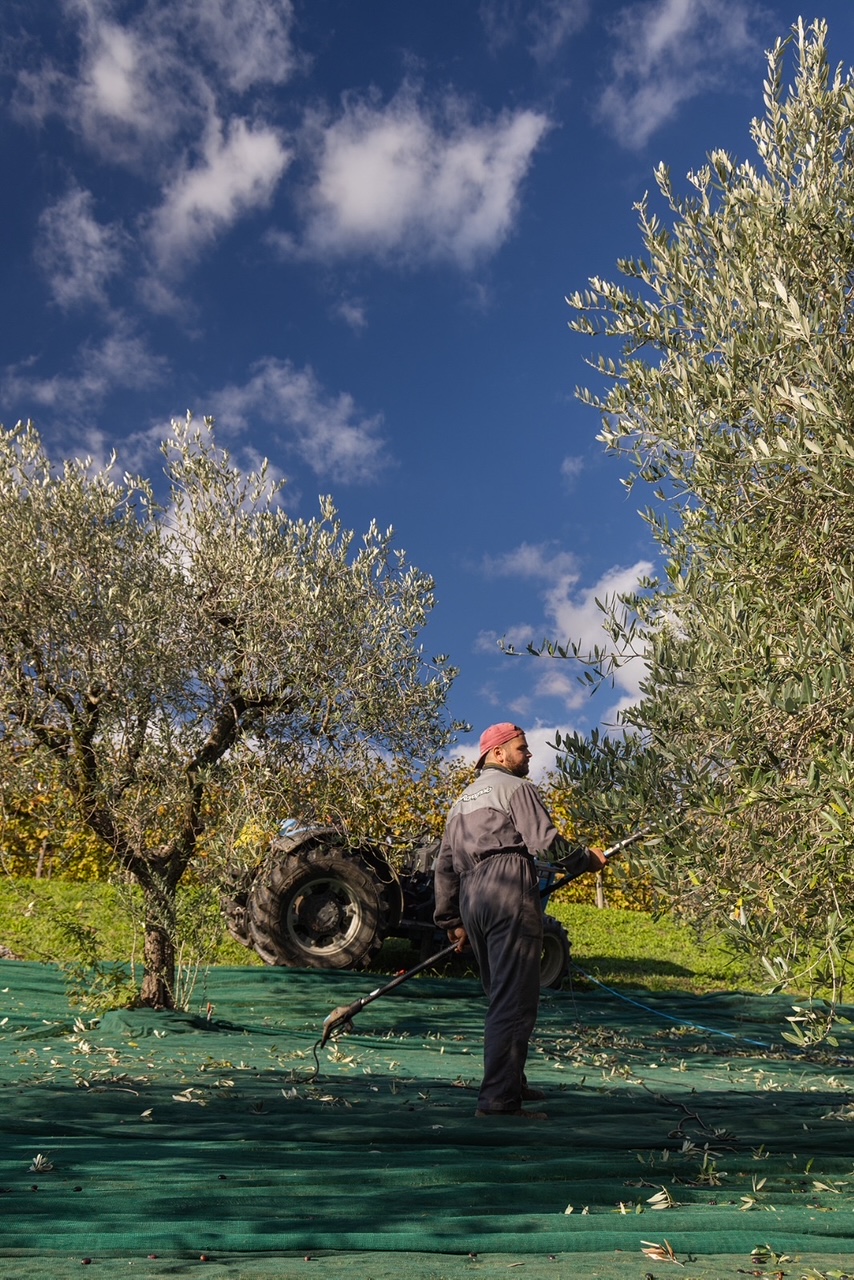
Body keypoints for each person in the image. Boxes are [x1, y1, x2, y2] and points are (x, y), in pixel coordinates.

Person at [433, 723, 606, 1120]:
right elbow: (546, 843)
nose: (528, 755)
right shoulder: (516, 788)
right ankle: (499, 1102)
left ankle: (511, 1081)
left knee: (501, 995)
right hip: (508, 887)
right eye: (522, 749)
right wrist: (586, 859)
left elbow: (444, 867)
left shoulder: (460, 803)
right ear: (498, 754)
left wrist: (453, 922)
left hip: (473, 896)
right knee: (513, 1001)